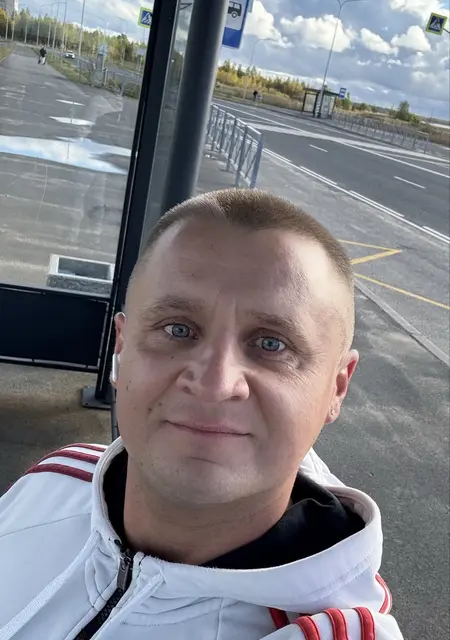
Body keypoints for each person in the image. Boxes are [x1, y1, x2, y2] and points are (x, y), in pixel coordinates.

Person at [0, 189, 404, 639]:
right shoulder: (50, 482)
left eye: (272, 344)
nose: (215, 383)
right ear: (121, 349)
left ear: (337, 387)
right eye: (178, 329)